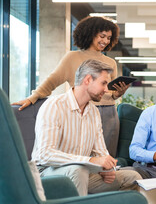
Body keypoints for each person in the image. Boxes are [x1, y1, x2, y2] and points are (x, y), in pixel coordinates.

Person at [12, 16, 128, 156]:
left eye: (109, 38)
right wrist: (32, 98)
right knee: (79, 154)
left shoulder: (110, 62)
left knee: (106, 156)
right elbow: (52, 81)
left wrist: (118, 93)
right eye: (102, 36)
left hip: (109, 113)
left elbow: (109, 91)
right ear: (90, 33)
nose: (105, 41)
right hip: (79, 111)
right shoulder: (72, 57)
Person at [31, 59, 142, 196]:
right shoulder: (54, 106)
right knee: (78, 171)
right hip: (47, 174)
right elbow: (45, 155)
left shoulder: (94, 112)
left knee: (132, 177)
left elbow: (101, 152)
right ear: (88, 80)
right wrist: (90, 160)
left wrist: (107, 169)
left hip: (82, 172)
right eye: (103, 83)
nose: (107, 90)